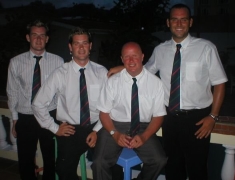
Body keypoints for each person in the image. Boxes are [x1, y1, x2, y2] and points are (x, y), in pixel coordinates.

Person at [107, 4, 228, 180]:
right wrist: (122, 67)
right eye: (174, 19)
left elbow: (220, 83)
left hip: (198, 119)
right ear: (168, 22)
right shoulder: (160, 50)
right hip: (169, 118)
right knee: (172, 167)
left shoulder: (206, 48)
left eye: (183, 19)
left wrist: (213, 116)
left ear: (190, 22)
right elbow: (145, 70)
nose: (179, 23)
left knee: (198, 168)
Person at [32, 27, 123, 180]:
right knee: (63, 169)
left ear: (90, 46)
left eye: (85, 43)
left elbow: (110, 104)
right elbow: (38, 104)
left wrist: (96, 130)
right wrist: (55, 128)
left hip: (98, 125)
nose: (81, 47)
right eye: (76, 44)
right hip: (71, 129)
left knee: (111, 166)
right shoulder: (60, 74)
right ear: (70, 47)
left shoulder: (101, 72)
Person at [92, 42, 167, 180]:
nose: (131, 60)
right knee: (98, 163)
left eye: (135, 56)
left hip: (142, 126)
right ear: (122, 59)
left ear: (142, 57)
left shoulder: (155, 83)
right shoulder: (112, 82)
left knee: (159, 160)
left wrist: (144, 136)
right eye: (127, 57)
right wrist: (115, 134)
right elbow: (104, 113)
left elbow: (158, 116)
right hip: (114, 125)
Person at [6, 20, 64, 180]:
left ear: (47, 39)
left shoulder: (58, 62)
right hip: (25, 116)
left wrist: (61, 117)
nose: (38, 39)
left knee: (51, 159)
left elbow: (61, 92)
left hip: (50, 115)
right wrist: (15, 119)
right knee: (25, 161)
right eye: (34, 35)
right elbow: (12, 92)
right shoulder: (16, 62)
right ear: (27, 37)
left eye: (42, 35)